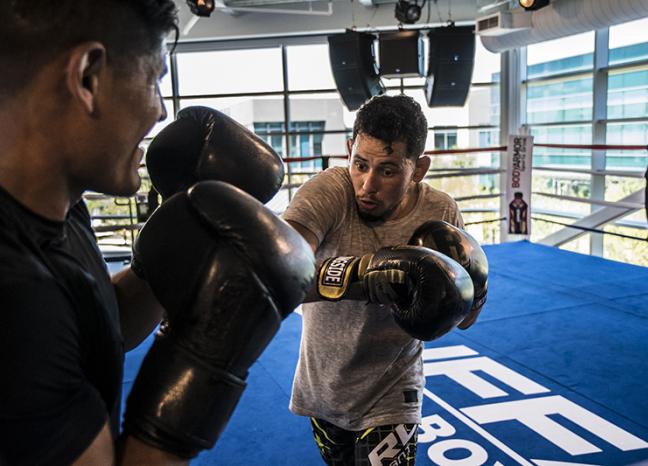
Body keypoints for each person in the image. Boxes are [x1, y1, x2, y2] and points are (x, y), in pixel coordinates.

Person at [0, 2, 315, 465]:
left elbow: (96, 326)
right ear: (88, 78)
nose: (161, 108)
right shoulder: (14, 294)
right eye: (154, 79)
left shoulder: (58, 207)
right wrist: (205, 358)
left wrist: (178, 250)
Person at [282, 94, 487, 466]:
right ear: (349, 151)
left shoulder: (440, 211)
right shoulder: (328, 192)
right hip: (326, 384)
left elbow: (466, 317)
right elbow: (277, 270)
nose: (367, 184)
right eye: (360, 164)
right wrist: (358, 273)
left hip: (394, 386)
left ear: (419, 169)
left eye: (388, 170)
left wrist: (472, 292)